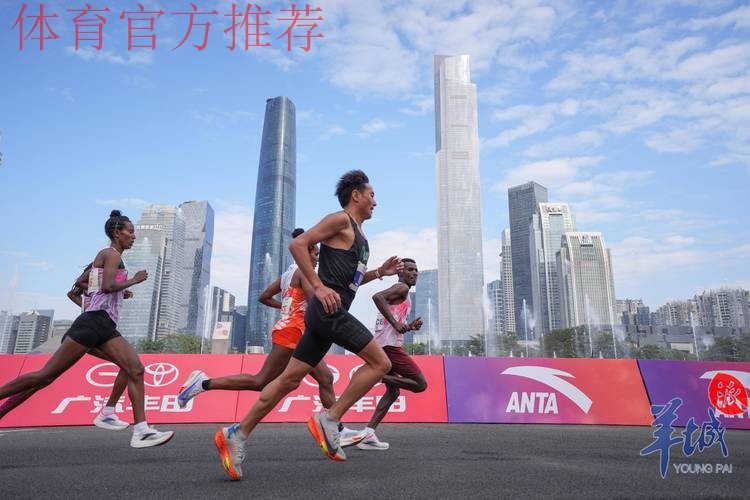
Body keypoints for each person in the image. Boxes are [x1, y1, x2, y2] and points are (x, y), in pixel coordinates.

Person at [214, 170, 401, 480]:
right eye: (371, 195)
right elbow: (299, 245)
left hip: (324, 315)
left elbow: (350, 282)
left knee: (288, 381)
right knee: (380, 363)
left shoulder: (360, 236)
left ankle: (237, 434)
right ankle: (331, 418)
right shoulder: (340, 220)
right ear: (356, 195)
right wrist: (318, 286)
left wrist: (379, 272)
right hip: (328, 312)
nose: (375, 202)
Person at [0, 210, 173, 448]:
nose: (133, 236)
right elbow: (107, 285)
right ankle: (124, 420)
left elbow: (81, 284)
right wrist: (133, 280)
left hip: (103, 326)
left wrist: (118, 292)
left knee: (133, 368)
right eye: (130, 232)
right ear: (117, 233)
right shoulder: (111, 254)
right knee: (45, 376)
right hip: (91, 325)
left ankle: (125, 422)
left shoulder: (108, 257)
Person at [175, 228, 336, 412]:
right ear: (306, 251)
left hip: (293, 331)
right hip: (293, 333)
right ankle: (202, 383)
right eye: (316, 254)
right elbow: (315, 303)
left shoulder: (288, 274)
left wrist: (287, 308)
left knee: (326, 378)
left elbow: (264, 297)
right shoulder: (304, 273)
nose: (318, 259)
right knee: (260, 381)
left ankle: (332, 423)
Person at [342, 258, 426, 450]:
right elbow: (377, 297)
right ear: (400, 273)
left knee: (393, 392)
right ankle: (379, 376)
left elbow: (392, 323)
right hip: (389, 348)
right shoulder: (401, 288)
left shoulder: (402, 292)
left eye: (416, 270)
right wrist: (396, 323)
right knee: (421, 385)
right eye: (410, 270)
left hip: (385, 345)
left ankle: (368, 434)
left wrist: (408, 326)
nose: (414, 273)